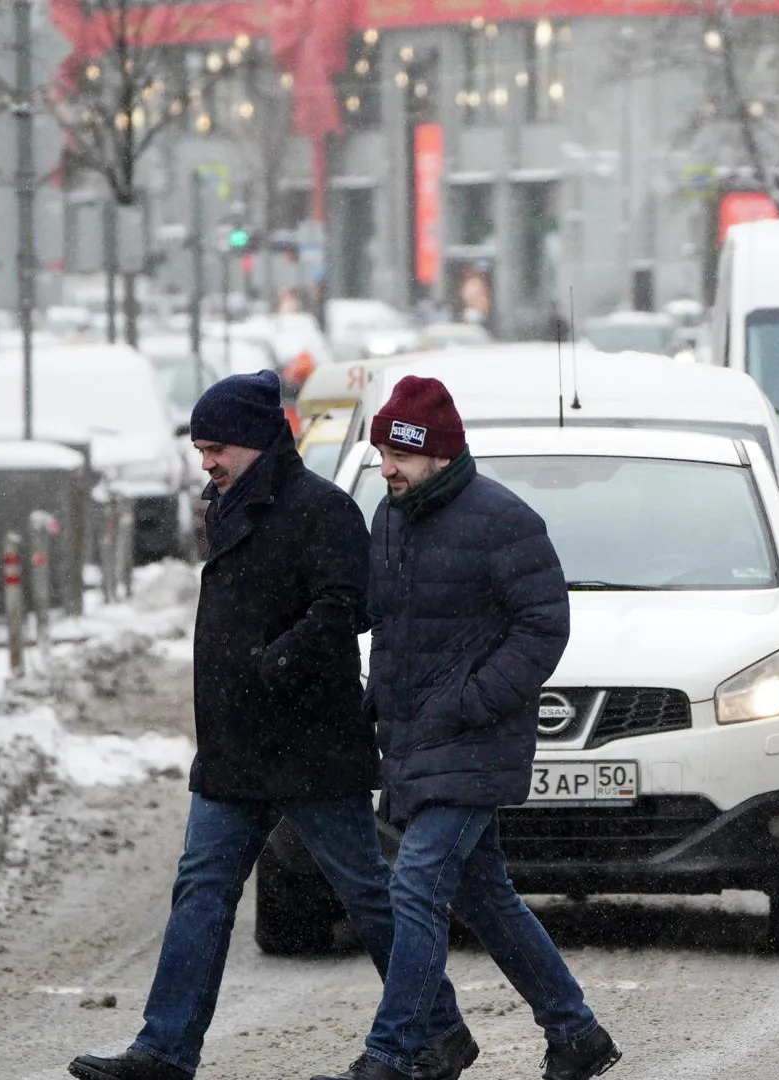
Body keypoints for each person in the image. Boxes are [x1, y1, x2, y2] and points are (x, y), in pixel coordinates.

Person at [69, 370, 475, 1080]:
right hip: (233, 750)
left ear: (258, 441)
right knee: (200, 891)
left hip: (310, 746)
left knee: (367, 896)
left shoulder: (323, 510)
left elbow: (347, 606)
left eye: (217, 447)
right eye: (200, 449)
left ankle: (438, 1029)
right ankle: (164, 1050)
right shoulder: (224, 504)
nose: (207, 462)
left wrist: (277, 661)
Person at [314, 377, 619, 1080]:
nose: (385, 466)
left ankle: (395, 1053)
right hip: (415, 741)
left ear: (439, 454)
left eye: (399, 453)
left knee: (415, 888)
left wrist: (477, 700)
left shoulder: (502, 520)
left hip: (475, 743)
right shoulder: (389, 518)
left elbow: (545, 624)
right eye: (381, 450)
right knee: (487, 897)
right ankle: (575, 1033)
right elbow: (386, 621)